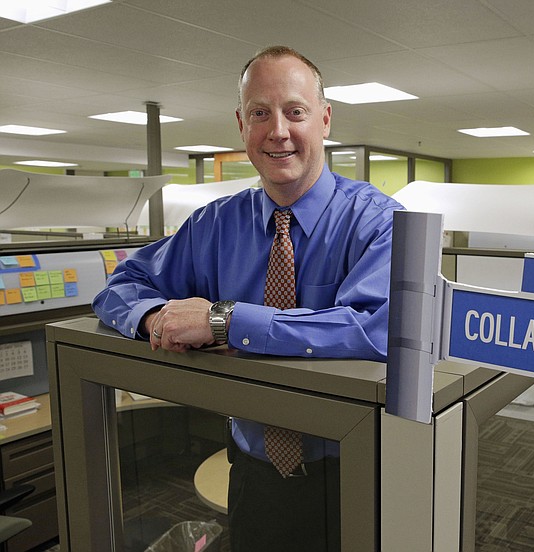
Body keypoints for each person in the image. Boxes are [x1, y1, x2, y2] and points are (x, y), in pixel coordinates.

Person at [92, 45, 403, 550]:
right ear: (241, 124)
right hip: (255, 474)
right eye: (260, 113)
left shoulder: (378, 223)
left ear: (324, 120)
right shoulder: (214, 225)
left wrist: (224, 320)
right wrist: (156, 317)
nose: (277, 131)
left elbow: (378, 328)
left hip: (359, 470)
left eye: (295, 112)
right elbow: (121, 285)